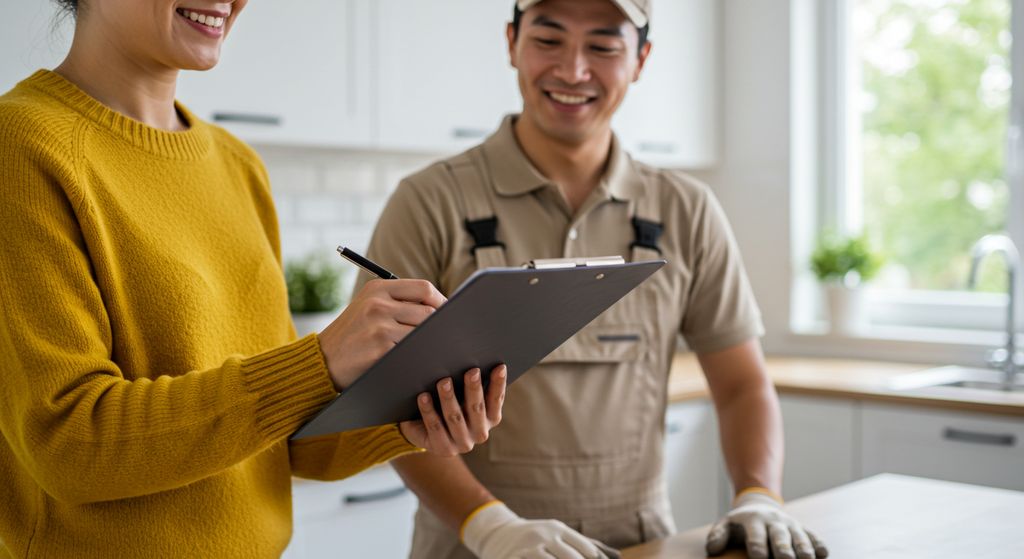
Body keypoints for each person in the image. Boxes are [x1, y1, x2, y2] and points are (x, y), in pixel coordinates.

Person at [0, 1, 507, 557]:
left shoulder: (238, 164)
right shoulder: (22, 145)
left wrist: (404, 425)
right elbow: (71, 446)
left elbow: (282, 446)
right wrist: (318, 361)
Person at [356, 1, 830, 558]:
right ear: (511, 43)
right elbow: (379, 404)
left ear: (640, 59)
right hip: (475, 548)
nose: (573, 70)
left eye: (603, 46)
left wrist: (759, 495)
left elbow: (742, 385)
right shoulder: (430, 202)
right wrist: (490, 527)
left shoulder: (685, 210)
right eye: (549, 40)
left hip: (640, 543)